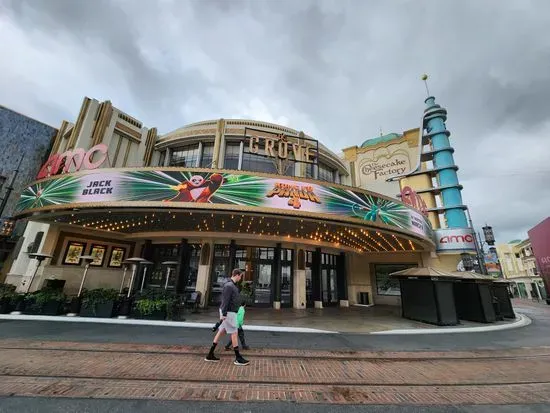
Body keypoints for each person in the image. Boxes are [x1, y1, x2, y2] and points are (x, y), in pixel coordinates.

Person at [205, 268, 249, 366]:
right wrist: (224, 314)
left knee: (221, 331)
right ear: (237, 275)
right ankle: (238, 358)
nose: (241, 278)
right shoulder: (229, 286)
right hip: (229, 312)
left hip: (228, 312)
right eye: (241, 276)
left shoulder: (230, 285)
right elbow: (225, 300)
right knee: (234, 332)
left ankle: (210, 354)